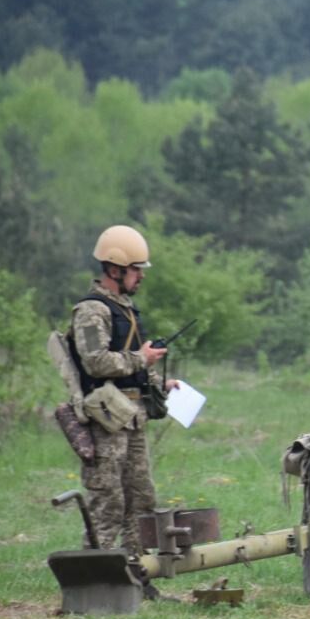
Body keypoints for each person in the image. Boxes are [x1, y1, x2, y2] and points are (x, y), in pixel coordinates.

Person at [70, 225, 177, 554]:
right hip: (107, 422)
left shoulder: (125, 310)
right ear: (114, 269)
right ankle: (92, 580)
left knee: (141, 501)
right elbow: (95, 363)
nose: (140, 277)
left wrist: (160, 384)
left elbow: (130, 367)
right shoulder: (91, 311)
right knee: (108, 503)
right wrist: (140, 358)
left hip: (132, 418)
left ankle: (137, 577)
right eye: (135, 270)